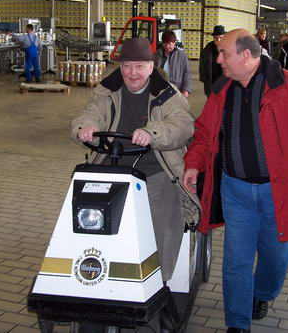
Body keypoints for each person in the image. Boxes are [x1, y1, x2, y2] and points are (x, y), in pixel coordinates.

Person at [182, 29, 288, 333]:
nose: (218, 60)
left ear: (246, 55)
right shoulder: (222, 90)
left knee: (276, 257)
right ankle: (237, 323)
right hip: (235, 191)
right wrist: (193, 163)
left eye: (224, 54)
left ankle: (262, 293)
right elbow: (205, 132)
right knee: (236, 259)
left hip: (281, 192)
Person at [71, 37, 200, 283]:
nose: (132, 72)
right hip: (112, 168)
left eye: (139, 66)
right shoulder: (106, 92)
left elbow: (183, 125)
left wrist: (153, 133)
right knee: (83, 208)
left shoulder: (168, 95)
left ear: (151, 67)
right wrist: (85, 128)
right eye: (127, 66)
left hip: (156, 169)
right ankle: (91, 269)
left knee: (165, 211)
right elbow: (90, 114)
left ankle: (159, 279)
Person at [154, 30, 192, 97]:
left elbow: (187, 73)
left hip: (176, 90)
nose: (167, 46)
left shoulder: (182, 56)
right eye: (165, 44)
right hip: (160, 90)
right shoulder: (157, 55)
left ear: (174, 43)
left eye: (169, 44)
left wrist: (186, 89)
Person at [199, 25, 225, 96]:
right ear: (213, 38)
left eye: (221, 37)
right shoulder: (208, 49)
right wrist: (204, 78)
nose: (218, 40)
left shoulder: (229, 48)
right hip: (211, 81)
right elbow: (202, 65)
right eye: (216, 38)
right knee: (211, 100)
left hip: (224, 82)